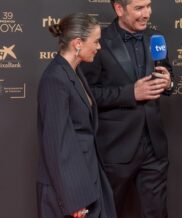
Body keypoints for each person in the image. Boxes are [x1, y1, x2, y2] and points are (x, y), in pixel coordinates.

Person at [80, 0, 173, 218]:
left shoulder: (156, 38)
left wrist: (169, 82)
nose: (147, 13)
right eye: (139, 8)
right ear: (119, 8)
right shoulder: (99, 42)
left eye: (149, 5)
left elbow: (168, 73)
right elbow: (87, 95)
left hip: (154, 147)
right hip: (115, 149)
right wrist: (130, 93)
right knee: (109, 213)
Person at [37, 13, 117, 218]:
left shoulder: (74, 72)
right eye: (96, 41)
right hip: (70, 191)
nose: (99, 47)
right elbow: (57, 144)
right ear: (77, 43)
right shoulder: (54, 79)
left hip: (88, 178)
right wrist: (73, 199)